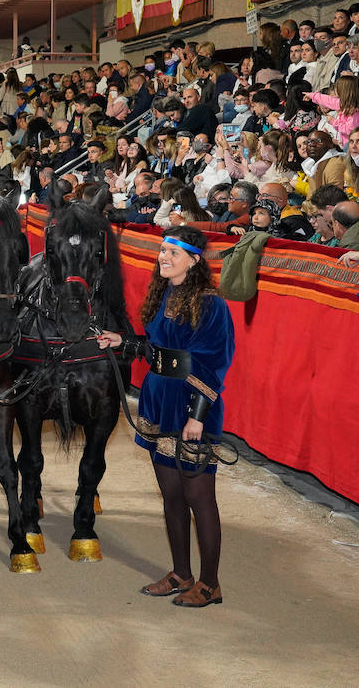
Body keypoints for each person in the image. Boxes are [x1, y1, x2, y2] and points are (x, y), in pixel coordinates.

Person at [97, 226, 234, 609]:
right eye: (162, 250)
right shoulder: (164, 294)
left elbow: (213, 364)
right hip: (158, 403)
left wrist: (197, 416)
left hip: (191, 407)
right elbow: (161, 350)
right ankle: (181, 574)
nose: (164, 257)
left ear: (194, 260)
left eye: (173, 253)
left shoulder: (211, 305)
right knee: (172, 495)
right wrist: (124, 342)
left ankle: (210, 584)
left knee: (199, 497)